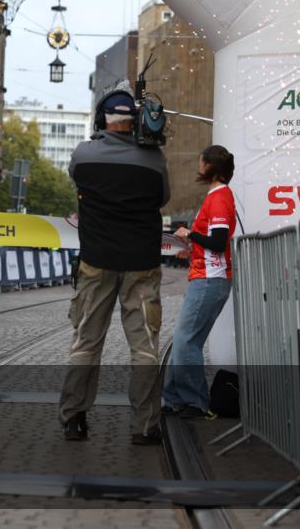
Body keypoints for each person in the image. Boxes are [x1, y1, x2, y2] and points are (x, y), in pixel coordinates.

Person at [59, 90, 170, 446]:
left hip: (96, 261)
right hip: (142, 264)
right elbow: (163, 197)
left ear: (100, 120)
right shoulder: (154, 159)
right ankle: (145, 426)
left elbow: (76, 176)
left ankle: (73, 418)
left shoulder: (84, 154)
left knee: (86, 341)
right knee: (145, 346)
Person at [163, 146, 237, 419]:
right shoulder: (217, 196)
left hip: (209, 279)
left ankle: (194, 401)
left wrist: (190, 234)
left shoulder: (219, 198)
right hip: (207, 277)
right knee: (186, 340)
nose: (198, 166)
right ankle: (175, 398)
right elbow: (213, 243)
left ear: (210, 167)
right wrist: (191, 247)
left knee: (186, 341)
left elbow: (217, 242)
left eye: (201, 162)